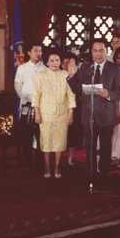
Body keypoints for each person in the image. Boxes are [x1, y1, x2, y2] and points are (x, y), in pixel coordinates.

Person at [67, 38, 120, 181]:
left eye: (101, 51)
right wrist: (71, 76)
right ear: (91, 52)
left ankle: (104, 173)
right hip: (89, 113)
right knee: (89, 147)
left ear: (106, 51)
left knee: (105, 146)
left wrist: (109, 94)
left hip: (107, 114)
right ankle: (90, 174)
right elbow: (76, 89)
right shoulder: (85, 67)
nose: (98, 54)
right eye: (95, 51)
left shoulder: (115, 68)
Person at [32, 50, 76, 178]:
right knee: (46, 141)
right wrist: (37, 113)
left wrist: (71, 113)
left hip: (62, 114)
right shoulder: (40, 75)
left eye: (57, 60)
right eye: (52, 60)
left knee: (60, 142)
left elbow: (71, 95)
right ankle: (47, 167)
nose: (55, 63)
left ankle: (57, 168)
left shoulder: (66, 75)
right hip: (45, 114)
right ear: (46, 62)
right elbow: (36, 96)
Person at [14, 42, 47, 167]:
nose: (39, 53)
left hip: (41, 107)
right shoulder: (22, 68)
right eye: (36, 51)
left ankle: (39, 162)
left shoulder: (45, 69)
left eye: (40, 51)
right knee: (25, 135)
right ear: (29, 53)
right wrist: (24, 96)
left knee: (40, 135)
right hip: (26, 105)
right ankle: (25, 162)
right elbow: (17, 85)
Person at [62, 52, 82, 167]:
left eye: (70, 63)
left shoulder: (78, 76)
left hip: (74, 108)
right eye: (65, 62)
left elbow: (78, 91)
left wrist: (72, 76)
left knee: (72, 134)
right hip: (60, 108)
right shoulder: (58, 74)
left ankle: (70, 158)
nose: (67, 65)